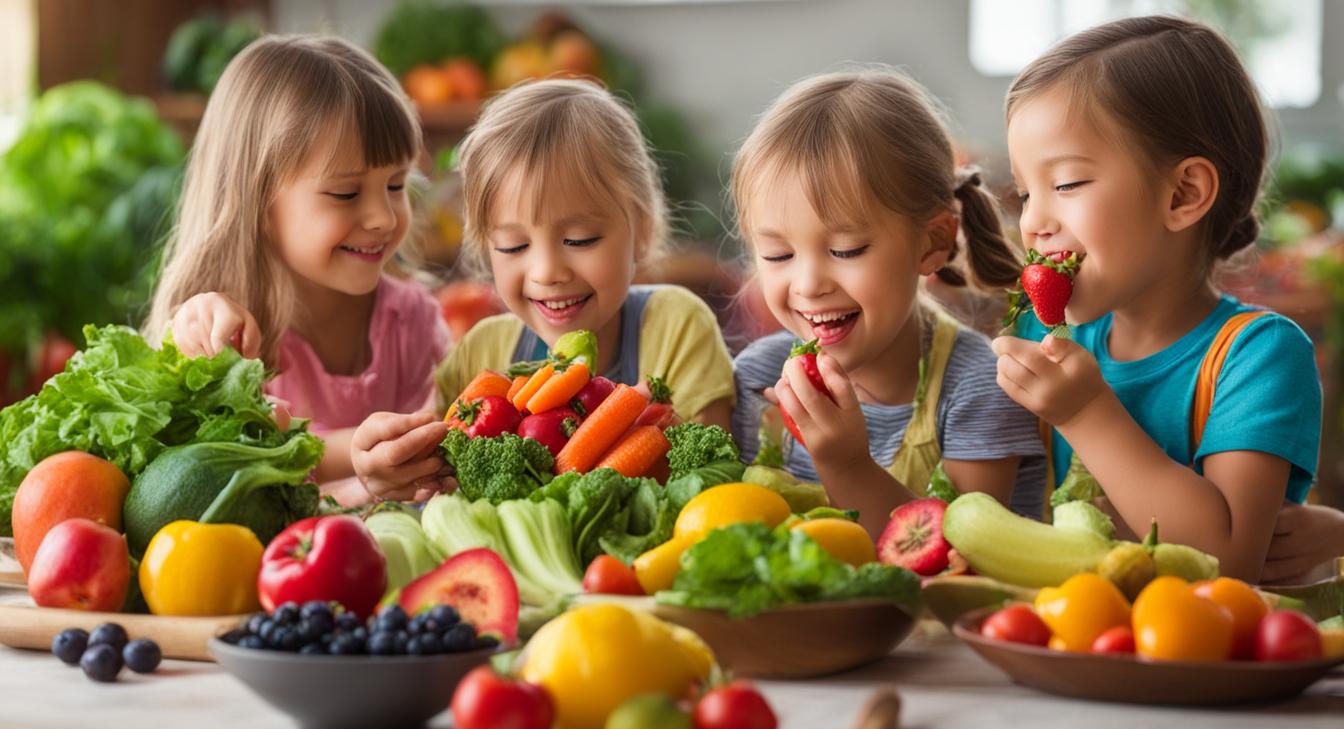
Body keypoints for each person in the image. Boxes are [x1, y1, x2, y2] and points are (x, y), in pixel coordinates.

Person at [993, 16, 1322, 581]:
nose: (1032, 222)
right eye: (1025, 193)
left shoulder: (1258, 357)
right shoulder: (1036, 344)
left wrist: (1086, 414)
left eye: (1066, 184)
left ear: (1183, 194)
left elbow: (1227, 560)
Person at [353, 78, 735, 501]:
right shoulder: (479, 355)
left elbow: (711, 480)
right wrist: (387, 467)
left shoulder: (676, 328)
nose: (547, 271)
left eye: (580, 239)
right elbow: (430, 480)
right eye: (514, 246)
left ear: (641, 233)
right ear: (486, 249)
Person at [730, 69, 1046, 538]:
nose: (809, 284)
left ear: (932, 243)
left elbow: (965, 558)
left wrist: (848, 467)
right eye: (778, 255)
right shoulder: (757, 380)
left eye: (846, 250)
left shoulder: (977, 389)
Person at [143, 35, 448, 495]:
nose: (384, 218)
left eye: (396, 184)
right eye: (346, 193)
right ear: (257, 202)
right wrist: (185, 349)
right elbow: (212, 468)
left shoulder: (415, 324)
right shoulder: (222, 336)